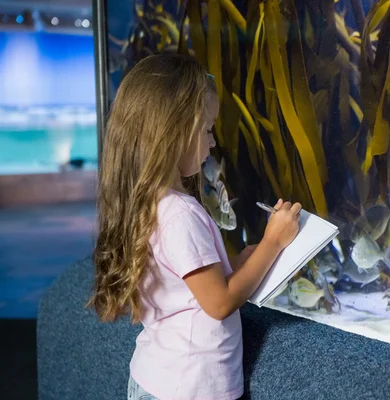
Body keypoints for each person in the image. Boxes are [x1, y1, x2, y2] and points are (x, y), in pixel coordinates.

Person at [87, 52, 301, 400]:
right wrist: (273, 243)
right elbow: (219, 303)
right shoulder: (180, 214)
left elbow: (188, 287)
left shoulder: (149, 202)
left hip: (159, 377)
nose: (213, 142)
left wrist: (247, 258)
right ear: (172, 132)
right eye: (206, 129)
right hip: (188, 389)